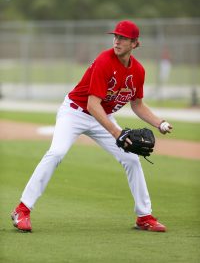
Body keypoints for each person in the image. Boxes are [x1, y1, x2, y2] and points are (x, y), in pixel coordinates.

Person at [11, 20, 172, 233]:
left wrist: (159, 122)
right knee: (57, 152)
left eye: (123, 37)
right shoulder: (105, 60)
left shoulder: (139, 72)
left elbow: (137, 104)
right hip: (75, 112)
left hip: (101, 116)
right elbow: (92, 104)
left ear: (135, 43)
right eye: (116, 36)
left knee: (131, 159)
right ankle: (22, 209)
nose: (117, 40)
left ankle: (144, 216)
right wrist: (117, 133)